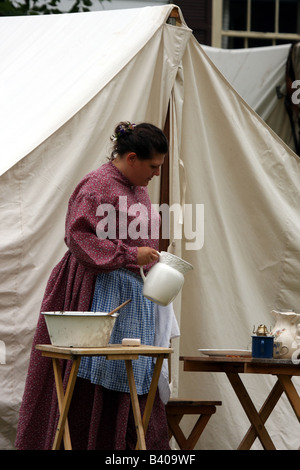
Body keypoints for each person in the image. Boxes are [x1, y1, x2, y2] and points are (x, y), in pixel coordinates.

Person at [15, 121, 171, 450]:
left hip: (132, 296)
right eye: (153, 166)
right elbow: (79, 237)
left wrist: (155, 264)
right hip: (94, 289)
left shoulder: (139, 187)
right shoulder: (97, 185)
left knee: (128, 377)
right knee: (90, 374)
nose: (156, 174)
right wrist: (130, 254)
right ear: (131, 158)